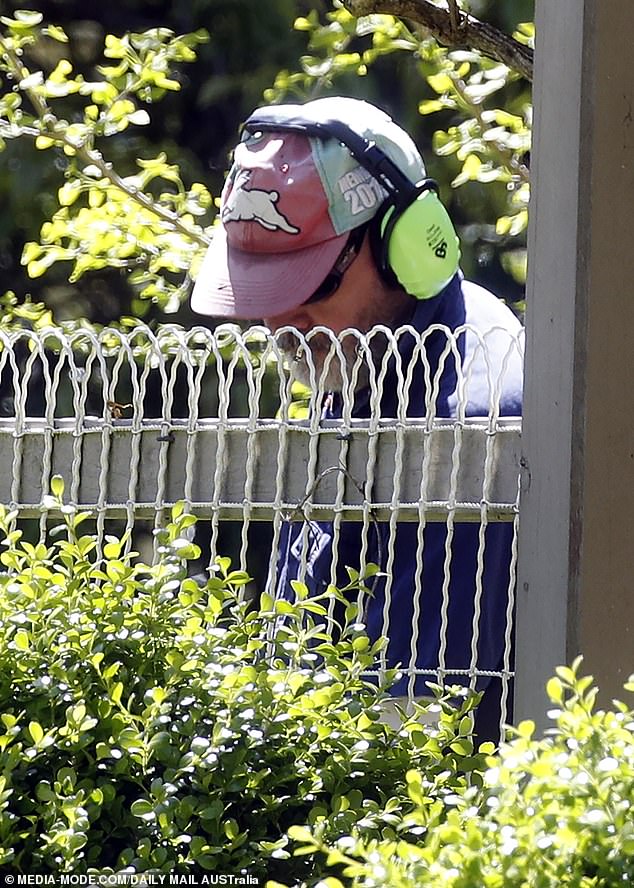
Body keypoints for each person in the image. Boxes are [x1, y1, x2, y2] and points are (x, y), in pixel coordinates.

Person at [190, 96, 523, 742]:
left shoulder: (464, 427)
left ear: (406, 244)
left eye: (308, 285)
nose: (280, 321)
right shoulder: (365, 360)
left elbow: (414, 739)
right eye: (265, 293)